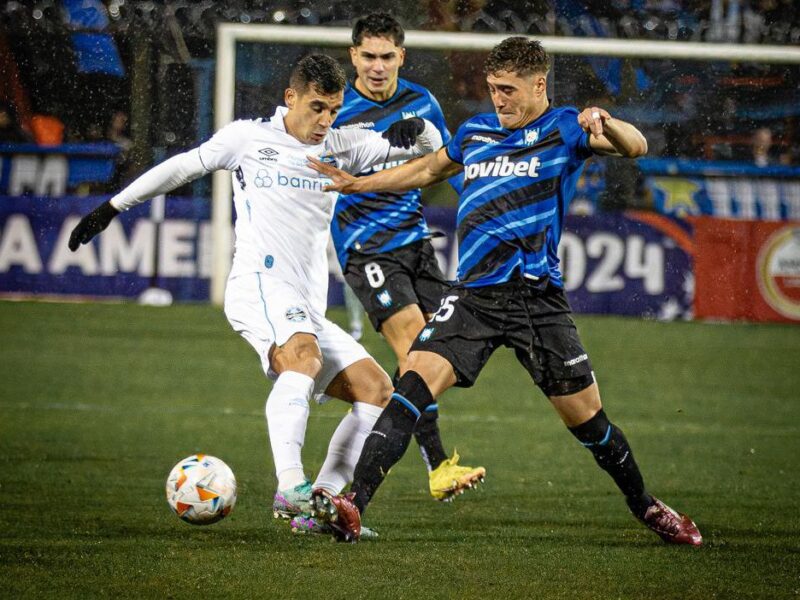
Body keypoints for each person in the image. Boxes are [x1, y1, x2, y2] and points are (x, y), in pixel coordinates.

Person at [307, 37, 703, 546]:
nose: (498, 99)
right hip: (472, 297)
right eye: (493, 88)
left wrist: (606, 123)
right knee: (411, 385)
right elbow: (426, 169)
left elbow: (637, 146)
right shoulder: (475, 131)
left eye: (508, 90)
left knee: (588, 423)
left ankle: (647, 507)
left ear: (539, 85)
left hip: (537, 302)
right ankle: (352, 505)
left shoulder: (563, 127)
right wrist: (358, 185)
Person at [67, 54, 444, 538]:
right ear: (290, 98)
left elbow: (436, 157)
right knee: (301, 359)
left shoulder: (345, 146)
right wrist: (113, 206)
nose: (325, 121)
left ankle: (321, 506)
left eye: (333, 109)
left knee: (377, 389)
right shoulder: (248, 138)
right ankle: (291, 486)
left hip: (305, 305)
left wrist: (419, 130)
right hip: (258, 285)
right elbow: (183, 168)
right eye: (316, 108)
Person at [330, 12, 485, 502]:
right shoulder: (335, 109)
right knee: (413, 349)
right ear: (353, 55)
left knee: (438, 351)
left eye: (387, 56)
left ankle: (374, 432)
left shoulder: (423, 102)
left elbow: (447, 163)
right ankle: (437, 466)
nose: (377, 66)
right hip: (366, 247)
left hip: (415, 241)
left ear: (402, 56)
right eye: (368, 56)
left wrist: (481, 202)